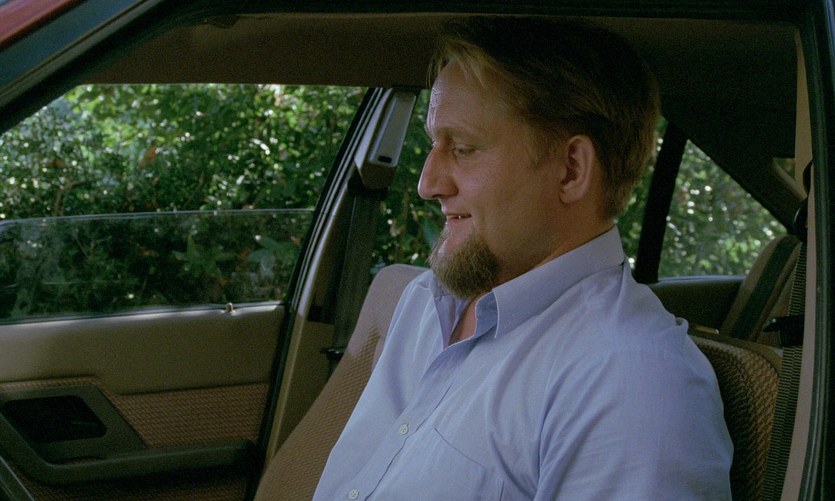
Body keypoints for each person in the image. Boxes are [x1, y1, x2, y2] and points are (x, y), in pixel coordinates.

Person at [314, 17, 732, 500]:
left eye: (463, 148)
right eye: (433, 145)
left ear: (571, 169)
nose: (428, 183)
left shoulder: (632, 385)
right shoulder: (425, 301)